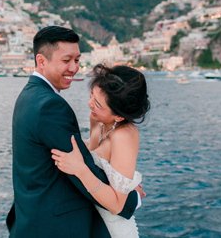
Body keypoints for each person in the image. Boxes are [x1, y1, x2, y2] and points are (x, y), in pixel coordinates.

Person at [6, 26, 139, 237]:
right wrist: (129, 196)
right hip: (55, 225)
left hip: (35, 217)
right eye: (66, 60)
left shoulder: (30, 95)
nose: (74, 68)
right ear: (41, 61)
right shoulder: (50, 106)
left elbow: (82, 159)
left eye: (77, 60)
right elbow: (80, 166)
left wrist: (120, 186)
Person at [52, 64, 150, 237]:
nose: (90, 104)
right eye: (92, 95)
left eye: (97, 104)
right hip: (93, 223)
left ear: (119, 116)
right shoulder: (100, 120)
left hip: (114, 230)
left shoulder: (124, 136)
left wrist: (80, 170)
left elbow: (117, 205)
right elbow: (93, 151)